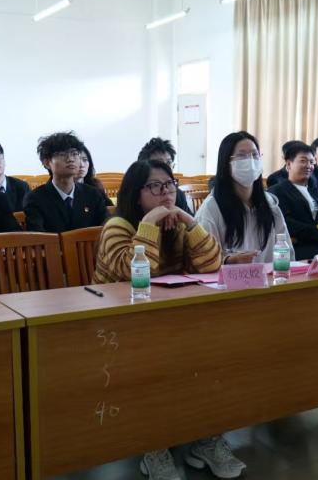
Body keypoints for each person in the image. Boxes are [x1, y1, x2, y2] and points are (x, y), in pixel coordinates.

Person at [92, 159, 235, 479]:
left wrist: (189, 220)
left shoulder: (177, 225)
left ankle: (205, 437)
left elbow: (212, 265)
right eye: (154, 187)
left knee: (215, 352)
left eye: (169, 185)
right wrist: (149, 224)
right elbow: (131, 273)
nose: (165, 193)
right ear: (135, 194)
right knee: (155, 362)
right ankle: (153, 444)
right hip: (120, 324)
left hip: (169, 319)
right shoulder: (118, 226)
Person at [195, 131, 289, 264]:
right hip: (230, 277)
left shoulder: (270, 203)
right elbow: (203, 259)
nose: (250, 161)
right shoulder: (211, 208)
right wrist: (228, 260)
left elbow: (286, 250)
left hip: (270, 276)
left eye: (255, 155)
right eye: (241, 155)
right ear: (226, 162)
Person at [23, 132, 108, 233]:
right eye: (62, 154)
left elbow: (107, 227)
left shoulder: (92, 193)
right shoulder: (35, 198)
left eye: (74, 154)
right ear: (47, 162)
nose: (70, 159)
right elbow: (38, 237)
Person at [268, 142, 318, 260]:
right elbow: (285, 222)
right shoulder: (277, 191)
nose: (308, 166)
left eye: (311, 162)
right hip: (296, 247)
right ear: (288, 164)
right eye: (303, 161)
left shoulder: (314, 191)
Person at [137, 137, 193, 214]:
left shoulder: (177, 194)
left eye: (169, 163)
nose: (166, 168)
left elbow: (191, 220)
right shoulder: (137, 194)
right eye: (159, 164)